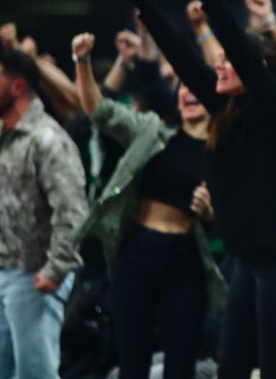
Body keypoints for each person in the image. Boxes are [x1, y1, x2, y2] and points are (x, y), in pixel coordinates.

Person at [118, 0, 276, 379]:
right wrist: (141, 1)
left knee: (275, 372)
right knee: (231, 370)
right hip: (247, 262)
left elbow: (240, 50)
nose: (219, 66)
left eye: (227, 60)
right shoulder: (226, 108)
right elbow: (183, 58)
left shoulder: (274, 109)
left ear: (256, 66)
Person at [70, 32, 227, 379]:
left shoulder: (223, 151)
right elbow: (99, 110)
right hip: (136, 252)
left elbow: (229, 218)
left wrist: (209, 213)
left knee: (180, 365)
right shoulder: (153, 130)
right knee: (132, 363)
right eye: (182, 87)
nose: (188, 93)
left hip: (186, 258)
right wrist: (82, 62)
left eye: (196, 88)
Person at [0, 47, 88, 378]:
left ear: (17, 86)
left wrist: (56, 268)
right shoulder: (7, 138)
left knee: (35, 372)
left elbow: (72, 210)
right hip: (5, 268)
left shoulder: (48, 139)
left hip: (34, 276)